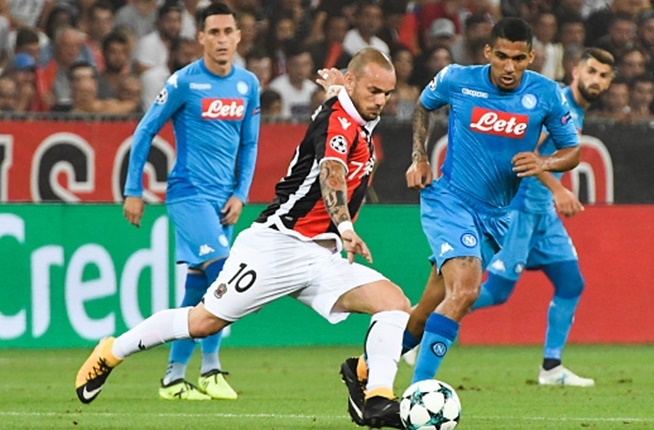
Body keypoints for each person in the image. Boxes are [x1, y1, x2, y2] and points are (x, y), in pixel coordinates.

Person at [75, 47, 409, 429]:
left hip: (322, 257)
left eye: (387, 93)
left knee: (394, 304)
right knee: (203, 322)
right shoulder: (338, 121)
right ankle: (111, 351)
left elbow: (343, 116)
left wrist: (338, 90)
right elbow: (331, 172)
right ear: (352, 82)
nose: (381, 101)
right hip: (278, 245)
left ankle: (376, 396)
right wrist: (346, 227)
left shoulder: (351, 112)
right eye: (373, 91)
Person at [403, 17, 581, 385]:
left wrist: (544, 163)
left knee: (426, 309)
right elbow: (423, 106)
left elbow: (572, 150)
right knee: (466, 291)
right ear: (488, 52)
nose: (509, 67)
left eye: (518, 58)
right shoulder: (457, 79)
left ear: (530, 57)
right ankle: (419, 391)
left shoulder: (546, 94)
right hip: (451, 200)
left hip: (497, 215)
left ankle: (366, 369)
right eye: (502, 56)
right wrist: (419, 157)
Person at [120, 2, 260, 401]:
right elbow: (145, 130)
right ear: (201, 37)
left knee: (197, 289)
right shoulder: (184, 82)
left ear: (238, 36)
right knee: (224, 277)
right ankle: (211, 368)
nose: (221, 39)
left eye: (227, 32)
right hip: (188, 194)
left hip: (223, 201)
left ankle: (173, 377)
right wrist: (133, 190)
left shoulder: (248, 84)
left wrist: (240, 193)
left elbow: (250, 144)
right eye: (213, 32)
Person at [468, 47, 615, 387]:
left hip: (542, 213)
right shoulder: (556, 103)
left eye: (604, 76)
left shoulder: (576, 110)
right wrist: (559, 189)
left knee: (571, 283)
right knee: (497, 292)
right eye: (591, 71)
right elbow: (526, 152)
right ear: (576, 71)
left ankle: (551, 368)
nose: (596, 80)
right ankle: (425, 320)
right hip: (519, 207)